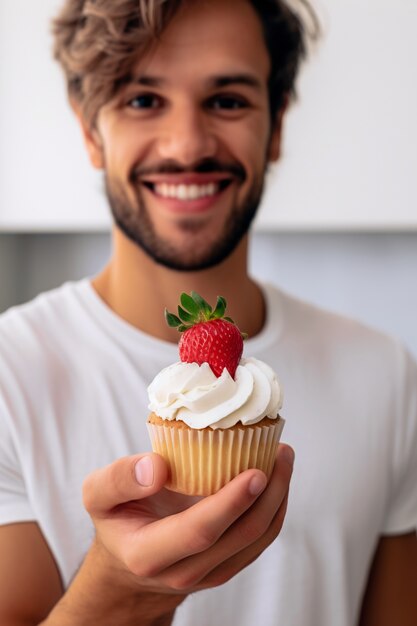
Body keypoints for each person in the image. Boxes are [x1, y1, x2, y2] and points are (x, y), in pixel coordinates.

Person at [0, 0, 416, 624]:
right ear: (90, 131)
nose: (188, 145)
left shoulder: (383, 373)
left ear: (276, 127)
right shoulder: (9, 375)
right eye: (143, 100)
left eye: (227, 100)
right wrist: (119, 589)